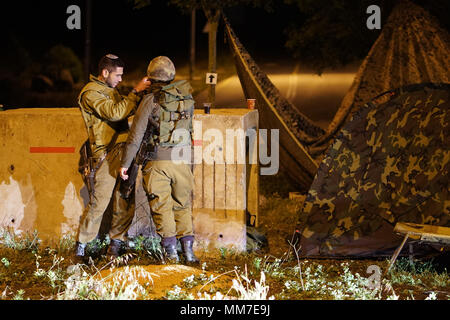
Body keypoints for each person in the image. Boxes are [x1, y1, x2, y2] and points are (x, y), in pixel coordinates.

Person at [119, 56, 199, 264]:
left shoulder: (150, 100)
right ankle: (189, 253)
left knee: (162, 207)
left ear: (151, 77)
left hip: (158, 162)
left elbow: (135, 136)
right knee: (182, 205)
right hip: (183, 160)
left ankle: (171, 255)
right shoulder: (186, 98)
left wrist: (125, 165)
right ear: (171, 76)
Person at [75, 53, 151, 259]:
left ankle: (117, 243)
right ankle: (82, 246)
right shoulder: (90, 93)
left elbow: (123, 117)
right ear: (105, 72)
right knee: (100, 202)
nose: (120, 80)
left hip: (123, 152)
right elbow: (115, 112)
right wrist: (136, 91)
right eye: (117, 75)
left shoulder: (111, 90)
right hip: (105, 155)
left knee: (124, 198)